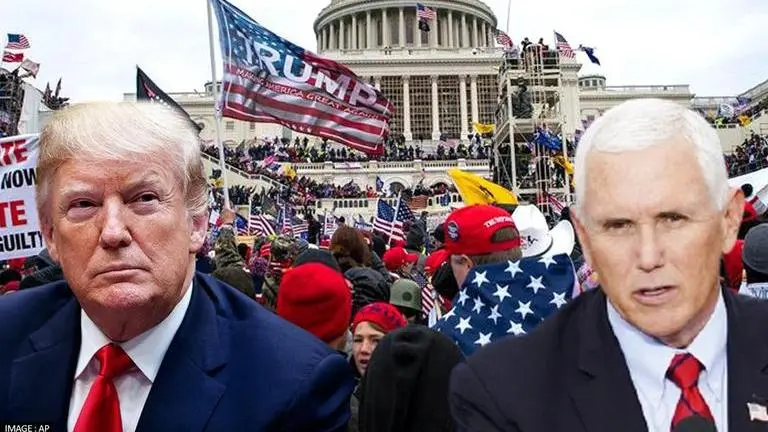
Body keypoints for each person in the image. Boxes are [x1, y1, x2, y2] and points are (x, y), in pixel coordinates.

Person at [0, 102, 354, 430]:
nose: (112, 232)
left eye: (144, 199)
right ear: (50, 234)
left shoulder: (295, 385)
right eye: (83, 204)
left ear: (197, 224)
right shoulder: (6, 333)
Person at [449, 98, 764, 431]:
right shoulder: (500, 393)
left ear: (729, 221)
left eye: (673, 219)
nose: (648, 256)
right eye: (618, 226)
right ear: (584, 239)